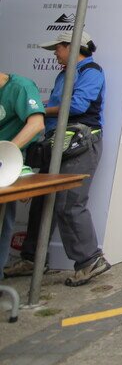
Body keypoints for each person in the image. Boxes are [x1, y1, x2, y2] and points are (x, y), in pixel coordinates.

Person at [4, 30, 110, 286]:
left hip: (81, 142)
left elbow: (77, 106)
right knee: (42, 201)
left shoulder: (91, 71)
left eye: (58, 48)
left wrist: (37, 109)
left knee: (68, 202)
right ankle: (32, 259)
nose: (55, 53)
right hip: (56, 142)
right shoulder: (64, 74)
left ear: (74, 48)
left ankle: (90, 261)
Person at [0, 71, 46, 278]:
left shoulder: (21, 86)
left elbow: (36, 124)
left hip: (5, 165)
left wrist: (7, 153)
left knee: (2, 221)